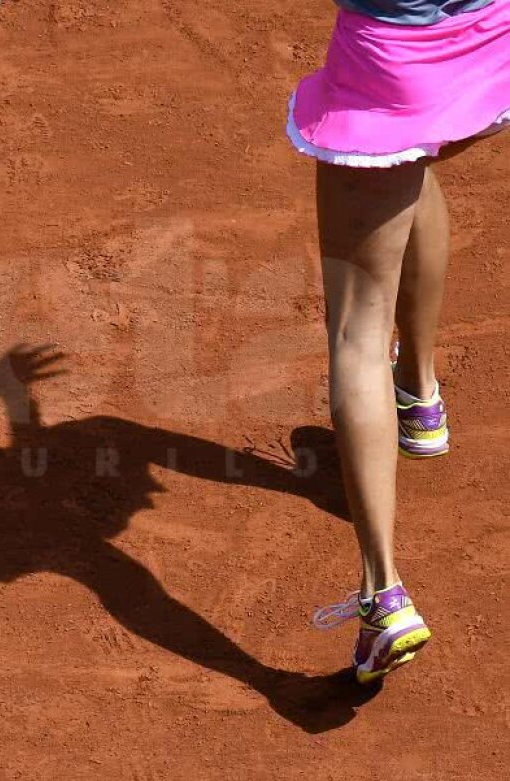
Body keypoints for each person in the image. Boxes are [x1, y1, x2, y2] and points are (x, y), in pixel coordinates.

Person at [288, 0, 510, 683]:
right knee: (410, 164)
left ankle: (383, 596)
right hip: (494, 41)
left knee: (357, 334)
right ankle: (419, 395)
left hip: (390, 63)